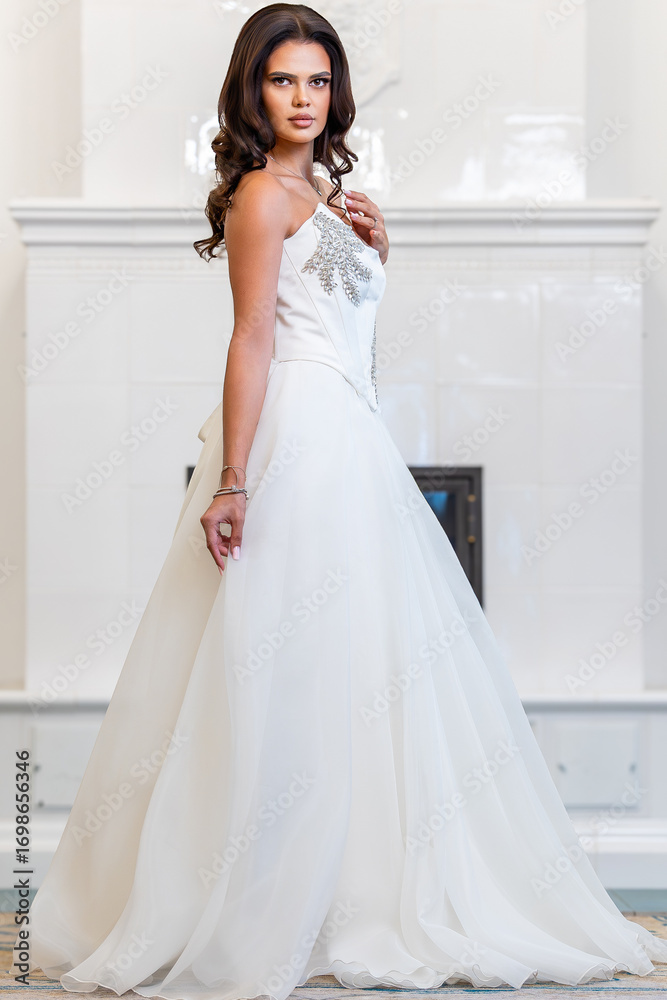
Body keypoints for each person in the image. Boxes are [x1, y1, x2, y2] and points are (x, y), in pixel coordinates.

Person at [18, 4, 667, 998]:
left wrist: (376, 249)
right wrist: (234, 478)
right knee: (290, 661)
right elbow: (253, 338)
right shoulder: (257, 196)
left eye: (317, 81)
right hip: (300, 440)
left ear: (336, 92)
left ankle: (348, 887)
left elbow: (339, 321)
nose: (303, 99)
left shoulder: (323, 191)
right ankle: (263, 897)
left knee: (356, 663)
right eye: (283, 80)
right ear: (252, 90)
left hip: (348, 433)